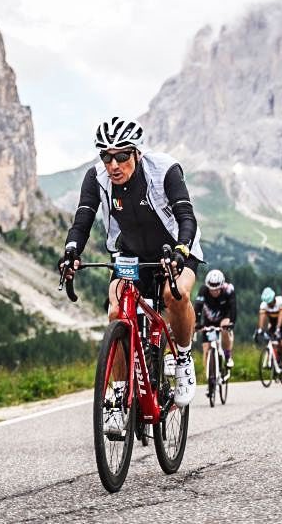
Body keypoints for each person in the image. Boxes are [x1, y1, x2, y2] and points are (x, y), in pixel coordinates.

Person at [59, 117, 202, 407]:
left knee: (174, 294)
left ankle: (184, 358)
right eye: (106, 156)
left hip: (175, 248)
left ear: (137, 153)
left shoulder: (164, 170)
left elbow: (187, 217)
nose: (114, 164)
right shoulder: (96, 178)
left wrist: (181, 251)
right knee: (117, 313)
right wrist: (72, 251)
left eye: (122, 155)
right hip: (130, 254)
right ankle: (122, 393)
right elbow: (82, 220)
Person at [194, 268, 237, 377]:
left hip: (224, 317)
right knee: (206, 348)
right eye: (211, 289)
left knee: (224, 328)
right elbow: (198, 307)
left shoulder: (228, 290)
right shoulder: (203, 290)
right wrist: (197, 323)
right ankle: (209, 376)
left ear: (222, 286)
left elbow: (233, 308)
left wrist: (232, 322)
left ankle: (227, 356)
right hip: (209, 321)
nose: (214, 292)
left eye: (217, 289)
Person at [257, 287, 282, 376]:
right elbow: (262, 318)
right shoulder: (264, 305)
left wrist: (278, 329)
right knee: (272, 341)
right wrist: (260, 329)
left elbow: (281, 317)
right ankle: (276, 360)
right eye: (268, 303)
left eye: (270, 302)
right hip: (273, 323)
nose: (269, 304)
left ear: (274, 299)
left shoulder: (281, 301)